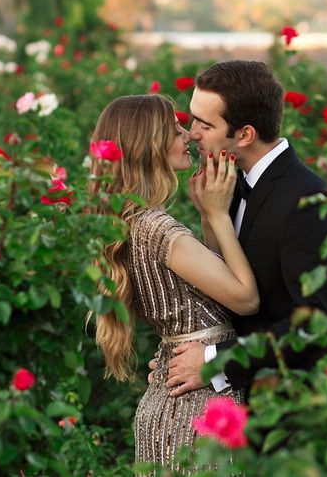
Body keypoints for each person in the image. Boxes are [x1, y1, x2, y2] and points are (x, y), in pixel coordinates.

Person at [88, 94, 259, 469]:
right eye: (176, 129)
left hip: (173, 399)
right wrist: (217, 215)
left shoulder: (135, 222)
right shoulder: (159, 229)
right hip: (196, 413)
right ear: (150, 145)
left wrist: (205, 215)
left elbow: (201, 295)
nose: (188, 136)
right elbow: (244, 298)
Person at [161, 60, 327, 397]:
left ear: (245, 134)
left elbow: (316, 323)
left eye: (205, 124)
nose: (191, 134)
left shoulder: (308, 200)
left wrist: (214, 360)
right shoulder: (227, 182)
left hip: (288, 413)